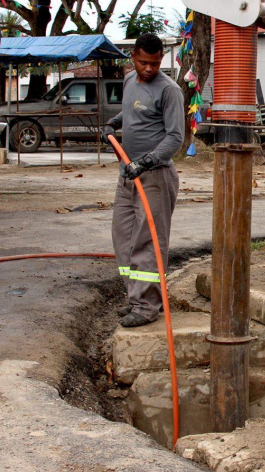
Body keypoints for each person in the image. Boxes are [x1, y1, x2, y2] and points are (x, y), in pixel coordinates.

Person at [102, 33, 184, 328]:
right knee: (123, 238)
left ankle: (148, 306)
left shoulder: (169, 90)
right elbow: (131, 112)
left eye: (154, 62)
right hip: (127, 174)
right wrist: (113, 123)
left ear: (161, 58)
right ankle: (136, 299)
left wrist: (147, 161)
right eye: (143, 62)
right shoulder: (128, 81)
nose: (149, 68)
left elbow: (176, 136)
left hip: (154, 176)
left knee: (147, 241)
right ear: (133, 57)